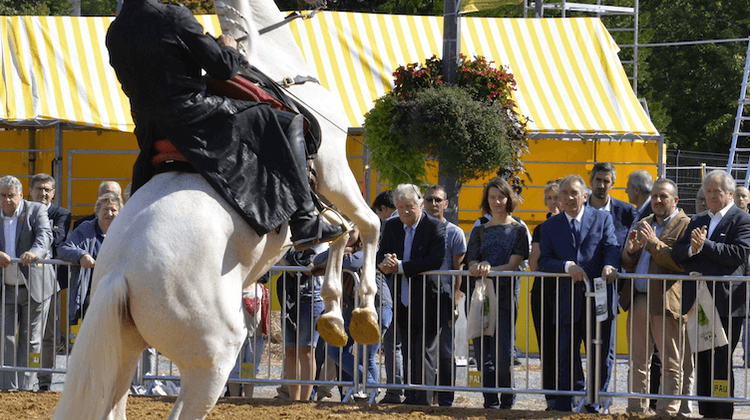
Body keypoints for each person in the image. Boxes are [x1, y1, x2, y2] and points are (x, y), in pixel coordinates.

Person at [106, 0, 347, 252]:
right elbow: (223, 68)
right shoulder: (174, 16)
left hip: (149, 130)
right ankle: (305, 220)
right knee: (290, 122)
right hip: (196, 118)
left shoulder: (114, 31)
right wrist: (228, 47)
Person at [537, 174, 619, 412]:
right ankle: (568, 401)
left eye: (574, 193)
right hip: (567, 301)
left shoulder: (603, 219)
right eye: (565, 193)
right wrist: (567, 267)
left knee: (601, 353)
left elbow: (612, 247)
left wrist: (609, 265)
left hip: (599, 299)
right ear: (559, 198)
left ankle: (596, 401)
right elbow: (544, 260)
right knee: (566, 353)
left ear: (585, 196)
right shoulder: (550, 226)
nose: (569, 198)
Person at [672, 170, 750, 419]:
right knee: (702, 356)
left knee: (721, 359)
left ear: (729, 193)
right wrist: (693, 250)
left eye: (717, 192)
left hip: (727, 302)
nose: (712, 196)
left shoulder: (742, 220)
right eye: (708, 192)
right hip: (699, 301)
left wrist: (703, 246)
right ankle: (706, 411)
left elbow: (738, 254)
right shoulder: (698, 220)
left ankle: (722, 412)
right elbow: (678, 252)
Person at [620, 178, 690, 415]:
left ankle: (667, 411)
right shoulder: (643, 223)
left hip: (666, 302)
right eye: (655, 196)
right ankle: (635, 409)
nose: (658, 201)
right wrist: (630, 253)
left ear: (675, 200)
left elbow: (680, 263)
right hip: (639, 299)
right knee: (638, 361)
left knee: (671, 362)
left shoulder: (685, 225)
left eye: (663, 197)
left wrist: (653, 244)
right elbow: (629, 264)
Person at [377, 184, 445, 406]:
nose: (405, 211)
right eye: (400, 207)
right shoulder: (392, 226)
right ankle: (411, 395)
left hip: (428, 299)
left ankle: (423, 398)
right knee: (406, 349)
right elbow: (381, 254)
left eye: (409, 206)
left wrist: (401, 267)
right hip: (401, 297)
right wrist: (385, 263)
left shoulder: (434, 227)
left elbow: (435, 260)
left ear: (420, 204)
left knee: (424, 350)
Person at [466, 177, 529, 409]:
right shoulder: (479, 230)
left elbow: (513, 265)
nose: (496, 201)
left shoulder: (518, 229)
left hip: (505, 297)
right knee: (483, 355)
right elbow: (470, 261)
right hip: (481, 299)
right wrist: (477, 267)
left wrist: (488, 269)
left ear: (508, 198)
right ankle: (489, 400)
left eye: (500, 197)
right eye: (492, 197)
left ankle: (507, 400)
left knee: (503, 355)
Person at [0, 175, 53, 391]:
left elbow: (45, 236)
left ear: (21, 195)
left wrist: (34, 252)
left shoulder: (36, 210)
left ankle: (27, 388)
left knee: (32, 341)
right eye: (2, 195)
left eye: (11, 196)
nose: (7, 200)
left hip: (35, 285)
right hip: (6, 288)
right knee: (6, 338)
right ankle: (8, 387)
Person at [423, 184, 466, 407]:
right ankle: (426, 395)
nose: (433, 204)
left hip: (446, 297)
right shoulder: (417, 230)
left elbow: (459, 271)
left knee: (445, 351)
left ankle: (446, 398)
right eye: (429, 199)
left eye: (438, 200)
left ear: (446, 204)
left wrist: (456, 302)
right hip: (421, 297)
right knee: (423, 349)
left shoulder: (455, 233)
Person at [29, 173, 72, 391]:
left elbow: (58, 239)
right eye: (39, 188)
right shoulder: (21, 211)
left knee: (48, 334)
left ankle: (44, 382)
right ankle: (19, 378)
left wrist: (33, 235)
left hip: (50, 281)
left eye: (47, 189)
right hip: (19, 279)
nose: (43, 193)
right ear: (30, 191)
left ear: (53, 193)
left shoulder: (61, 213)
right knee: (19, 332)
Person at [58, 193, 123, 327]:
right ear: (97, 211)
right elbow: (63, 249)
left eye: (114, 210)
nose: (109, 213)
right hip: (91, 292)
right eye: (105, 210)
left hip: (119, 292)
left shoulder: (126, 230)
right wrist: (81, 255)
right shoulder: (86, 228)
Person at [528, 180, 561, 410]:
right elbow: (534, 264)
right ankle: (551, 397)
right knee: (547, 347)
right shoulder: (541, 228)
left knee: (567, 346)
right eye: (548, 198)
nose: (553, 203)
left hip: (568, 292)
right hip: (543, 292)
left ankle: (572, 394)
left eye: (556, 197)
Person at [278, 245, 326, 401]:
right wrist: (291, 262)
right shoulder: (288, 238)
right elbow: (281, 261)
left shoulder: (321, 238)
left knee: (306, 351)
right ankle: (294, 399)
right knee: (290, 351)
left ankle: (305, 400)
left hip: (311, 298)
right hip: (289, 297)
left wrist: (289, 261)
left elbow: (310, 268)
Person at [227, 277, 270, 398]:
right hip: (236, 336)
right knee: (234, 369)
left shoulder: (260, 289)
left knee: (250, 370)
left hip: (255, 336)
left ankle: (248, 398)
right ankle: (234, 398)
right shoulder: (233, 288)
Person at [589, 162, 635, 248]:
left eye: (606, 181)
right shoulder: (579, 208)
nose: (601, 185)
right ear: (591, 181)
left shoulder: (626, 211)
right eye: (598, 180)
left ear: (612, 184)